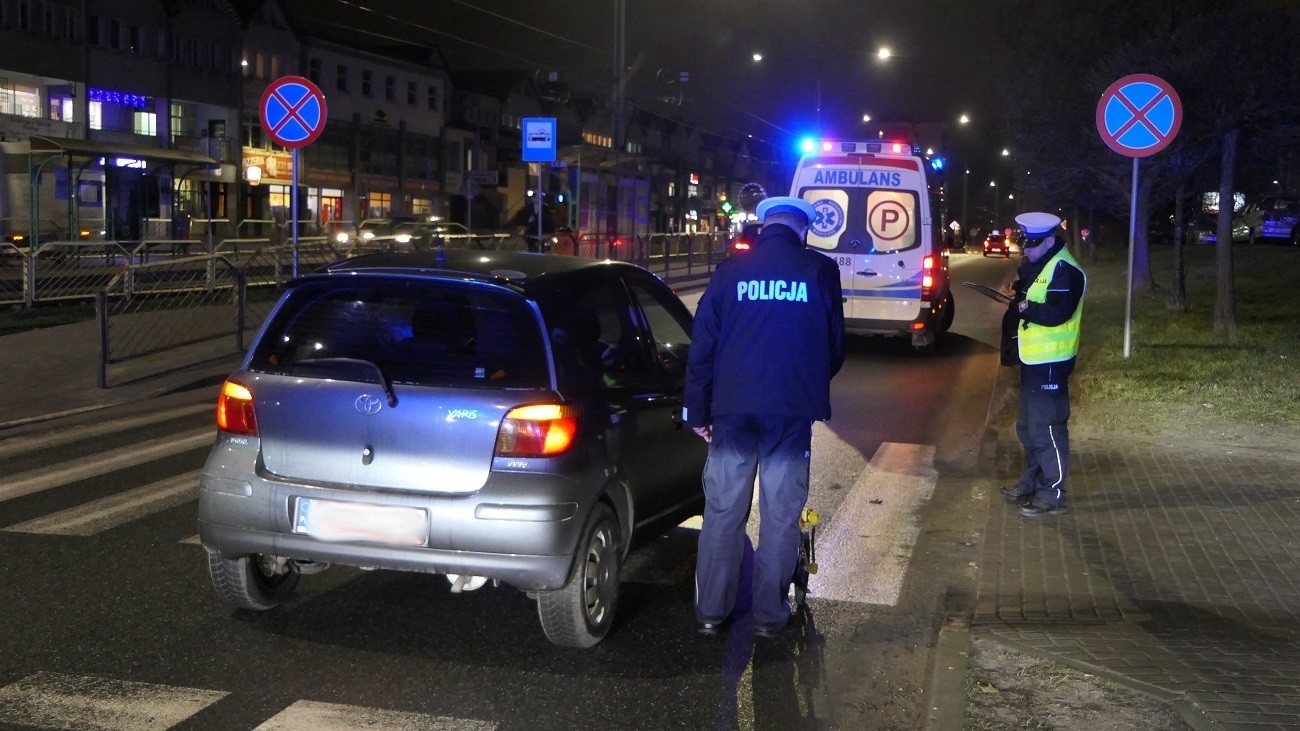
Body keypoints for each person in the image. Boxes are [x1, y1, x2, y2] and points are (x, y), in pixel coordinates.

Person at [683, 196, 846, 637]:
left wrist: (697, 410)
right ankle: (770, 618)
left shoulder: (729, 271)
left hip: (732, 411)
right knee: (780, 515)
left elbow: (703, 346)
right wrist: (806, 382)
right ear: (803, 230)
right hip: (790, 414)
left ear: (764, 226)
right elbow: (834, 347)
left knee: (723, 511)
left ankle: (711, 613)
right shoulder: (819, 271)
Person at [999, 211, 1087, 518]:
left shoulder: (1066, 269)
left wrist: (1022, 305)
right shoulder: (1042, 264)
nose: (1026, 249)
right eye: (1023, 242)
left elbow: (1055, 313)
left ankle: (1053, 494)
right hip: (1034, 360)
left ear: (1049, 241)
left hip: (1051, 360)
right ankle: (1032, 484)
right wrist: (1017, 291)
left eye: (1032, 243)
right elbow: (1034, 290)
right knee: (1027, 427)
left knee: (1047, 428)